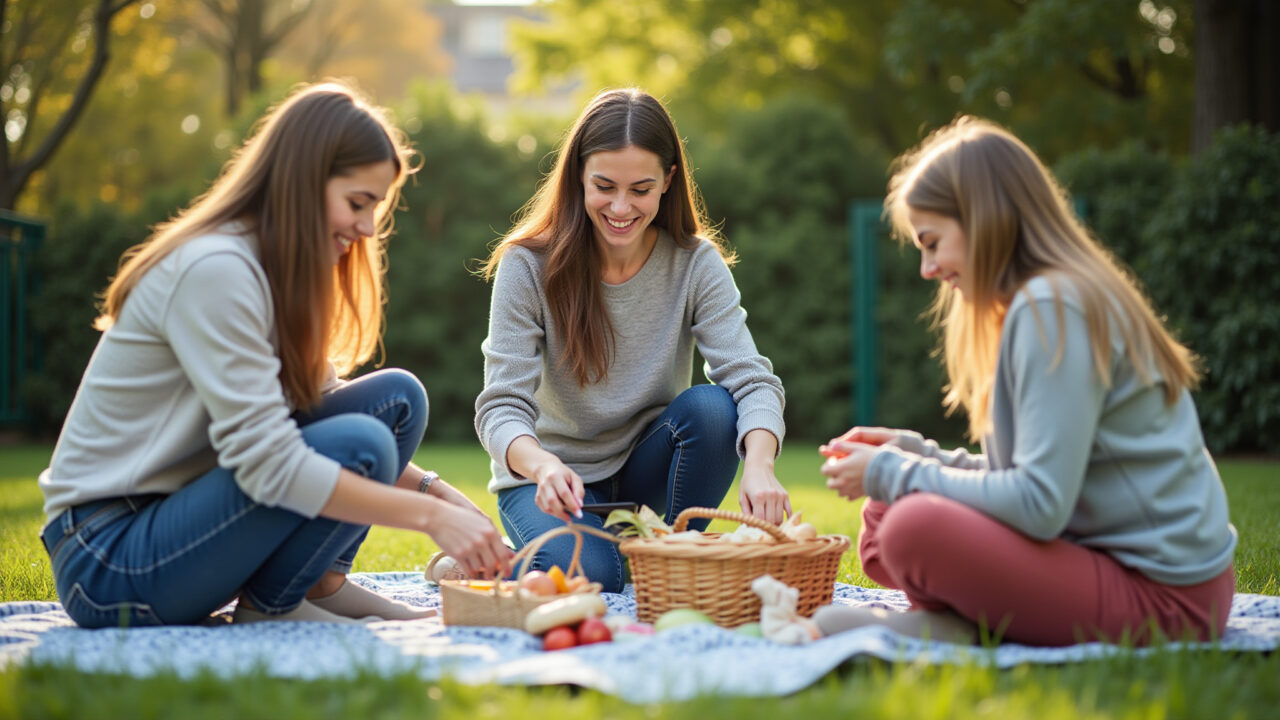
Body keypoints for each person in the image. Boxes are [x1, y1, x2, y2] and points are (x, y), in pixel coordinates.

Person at [37, 81, 512, 629]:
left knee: (393, 401)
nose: (366, 228)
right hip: (106, 559)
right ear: (301, 183)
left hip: (173, 527)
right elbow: (268, 463)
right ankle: (277, 608)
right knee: (361, 441)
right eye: (357, 203)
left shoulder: (272, 274)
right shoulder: (215, 269)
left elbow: (315, 413)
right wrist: (430, 519)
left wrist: (441, 493)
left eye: (375, 208)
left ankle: (312, 590)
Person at [815, 116, 1237, 646]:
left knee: (910, 527)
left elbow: (1038, 504)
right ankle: (971, 618)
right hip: (1106, 561)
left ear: (984, 219)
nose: (926, 268)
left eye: (932, 242)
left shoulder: (1053, 307)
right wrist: (918, 456)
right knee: (889, 513)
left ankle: (961, 624)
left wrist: (894, 470)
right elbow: (1022, 476)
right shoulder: (1041, 304)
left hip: (1168, 600)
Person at [472, 88, 789, 593]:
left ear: (668, 181)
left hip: (644, 471)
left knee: (713, 409)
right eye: (604, 186)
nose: (621, 207)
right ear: (578, 177)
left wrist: (760, 464)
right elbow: (500, 408)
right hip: (550, 484)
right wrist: (543, 465)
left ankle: (673, 554)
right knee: (599, 576)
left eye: (640, 189)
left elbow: (752, 380)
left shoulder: (694, 263)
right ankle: (479, 567)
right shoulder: (527, 265)